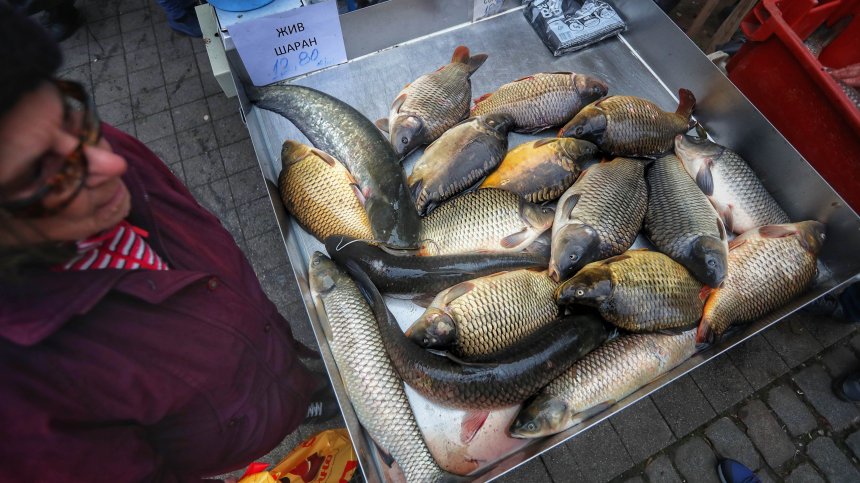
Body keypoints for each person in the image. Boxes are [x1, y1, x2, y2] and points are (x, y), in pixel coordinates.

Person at [0, 5, 334, 480]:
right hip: (224, 441)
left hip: (259, 340)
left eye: (71, 114)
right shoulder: (18, 402)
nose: (111, 164)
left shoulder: (93, 152)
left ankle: (300, 395)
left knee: (294, 382)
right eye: (48, 176)